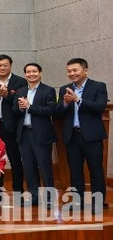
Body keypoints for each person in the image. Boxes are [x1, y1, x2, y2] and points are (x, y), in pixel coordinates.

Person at [56, 57, 108, 210]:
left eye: (75, 70)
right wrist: (65, 103)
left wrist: (78, 100)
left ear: (85, 70)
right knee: (75, 170)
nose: (71, 73)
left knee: (96, 170)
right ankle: (77, 202)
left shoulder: (98, 86)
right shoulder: (64, 88)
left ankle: (97, 203)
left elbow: (100, 107)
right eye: (69, 71)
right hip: (72, 136)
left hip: (92, 136)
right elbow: (58, 112)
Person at [14, 62, 57, 207]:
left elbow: (51, 110)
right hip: (24, 134)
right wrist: (20, 109)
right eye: (28, 72)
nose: (31, 74)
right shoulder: (20, 91)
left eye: (34, 71)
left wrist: (30, 107)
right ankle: (33, 196)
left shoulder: (48, 90)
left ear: (40, 73)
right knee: (29, 167)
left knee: (44, 166)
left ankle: (50, 197)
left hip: (41, 134)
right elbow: (15, 111)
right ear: (25, 74)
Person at [0, 54, 27, 194]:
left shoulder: (19, 82)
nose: (2, 68)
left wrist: (7, 94)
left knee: (15, 159)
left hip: (11, 126)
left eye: (5, 65)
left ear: (10, 66)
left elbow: (20, 102)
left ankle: (18, 189)